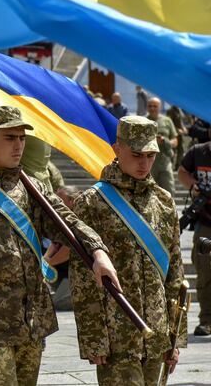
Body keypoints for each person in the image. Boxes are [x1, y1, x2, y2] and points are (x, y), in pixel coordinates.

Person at [0, 106, 117, 386]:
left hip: (32, 325)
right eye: (9, 138)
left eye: (22, 138)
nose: (18, 145)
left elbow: (68, 221)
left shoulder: (33, 188)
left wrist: (98, 252)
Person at [70, 116, 186, 385]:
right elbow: (82, 277)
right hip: (116, 335)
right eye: (136, 154)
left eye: (150, 155)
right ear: (117, 148)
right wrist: (93, 337)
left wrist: (175, 336)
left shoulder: (164, 201)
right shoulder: (92, 202)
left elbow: (175, 273)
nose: (144, 163)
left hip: (157, 333)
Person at [177, 126, 211, 336]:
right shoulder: (198, 152)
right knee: (205, 273)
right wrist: (193, 186)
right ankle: (206, 320)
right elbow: (182, 172)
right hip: (204, 223)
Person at [146, 98, 178, 195]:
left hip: (164, 161)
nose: (152, 108)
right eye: (150, 106)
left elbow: (175, 141)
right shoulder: (143, 121)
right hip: (148, 162)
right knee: (149, 191)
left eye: (155, 106)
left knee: (169, 191)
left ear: (159, 107)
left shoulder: (167, 121)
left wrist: (164, 141)